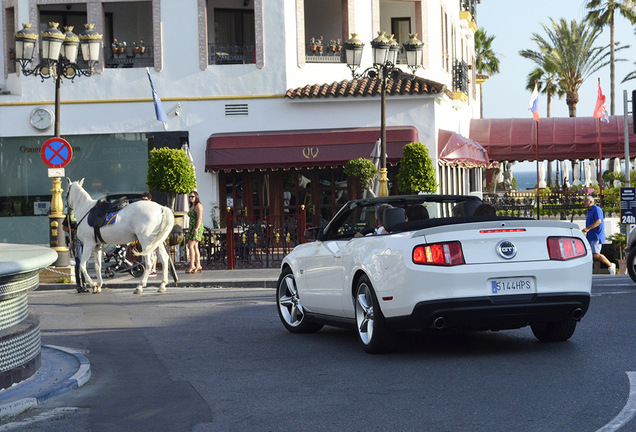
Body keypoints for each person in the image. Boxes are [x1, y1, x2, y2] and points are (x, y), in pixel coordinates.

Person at [582, 195, 615, 275]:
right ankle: (588, 271)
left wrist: (588, 228)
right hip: (590, 236)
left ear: (591, 202)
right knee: (589, 254)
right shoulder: (589, 211)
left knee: (595, 254)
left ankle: (610, 265)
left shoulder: (597, 209)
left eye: (585, 201)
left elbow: (598, 221)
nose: (584, 203)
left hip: (596, 235)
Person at [186, 190, 204, 273]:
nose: (190, 198)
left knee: (190, 246)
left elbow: (199, 218)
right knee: (195, 247)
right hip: (191, 226)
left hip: (196, 227)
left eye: (192, 196)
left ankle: (192, 265)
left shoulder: (198, 206)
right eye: (189, 197)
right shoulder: (192, 206)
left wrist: (196, 229)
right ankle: (198, 265)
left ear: (196, 197)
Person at [141, 192, 158, 276]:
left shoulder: (152, 209)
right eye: (143, 200)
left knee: (153, 251)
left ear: (150, 200)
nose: (144, 202)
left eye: (146, 200)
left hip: (153, 232)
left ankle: (153, 269)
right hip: (145, 233)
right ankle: (150, 268)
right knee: (147, 251)